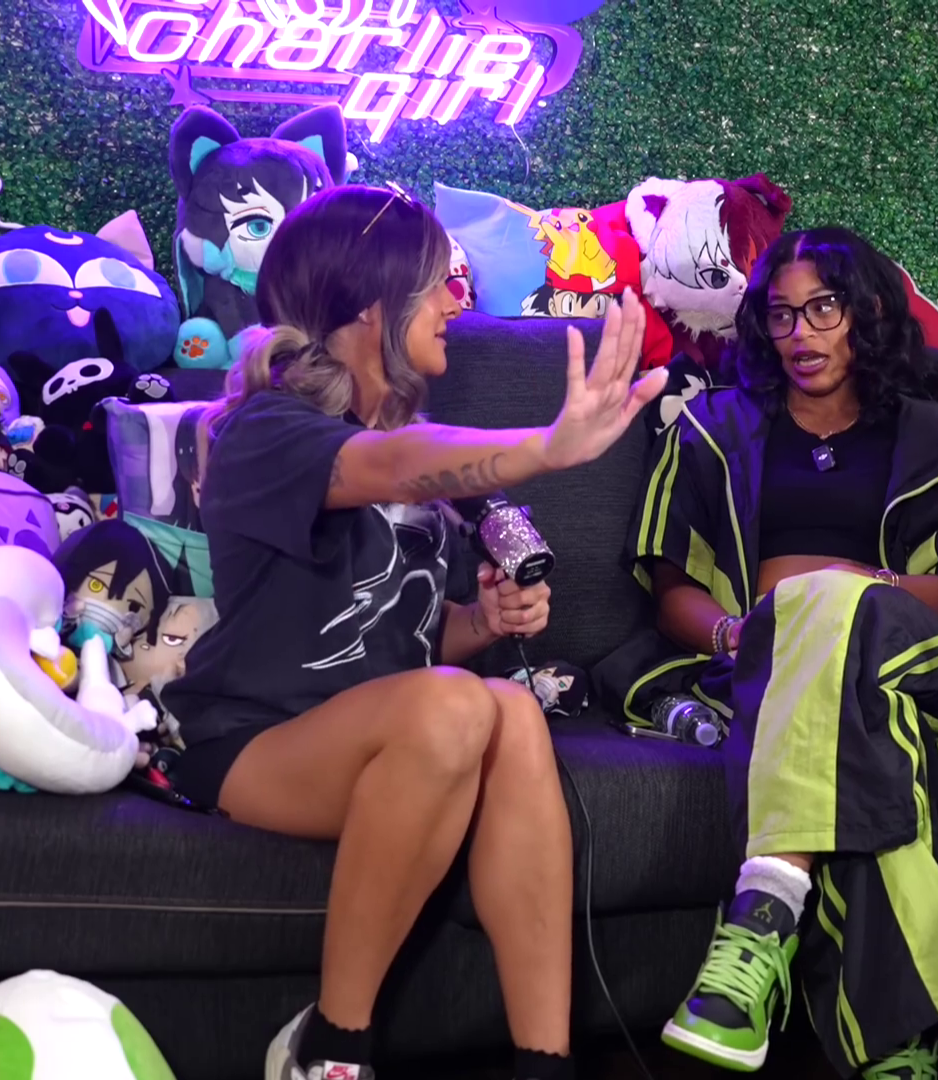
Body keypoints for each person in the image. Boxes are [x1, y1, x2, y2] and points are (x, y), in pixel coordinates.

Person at [161, 184, 667, 1080]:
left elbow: (407, 648)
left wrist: (482, 621)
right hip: (253, 741)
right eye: (439, 283)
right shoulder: (270, 431)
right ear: (370, 304)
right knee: (459, 708)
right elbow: (391, 466)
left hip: (384, 735)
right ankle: (331, 1046)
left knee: (510, 712)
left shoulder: (407, 444)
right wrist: (545, 446)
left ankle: (544, 1064)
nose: (455, 303)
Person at [594, 227, 938, 1079]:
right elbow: (670, 584)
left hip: (911, 662)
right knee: (862, 741)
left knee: (828, 605)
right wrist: (734, 632)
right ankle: (895, 1045)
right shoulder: (713, 426)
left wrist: (846, 587)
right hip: (757, 667)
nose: (800, 333)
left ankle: (765, 908)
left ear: (867, 313)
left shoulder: (932, 436)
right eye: (781, 314)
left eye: (824, 308)